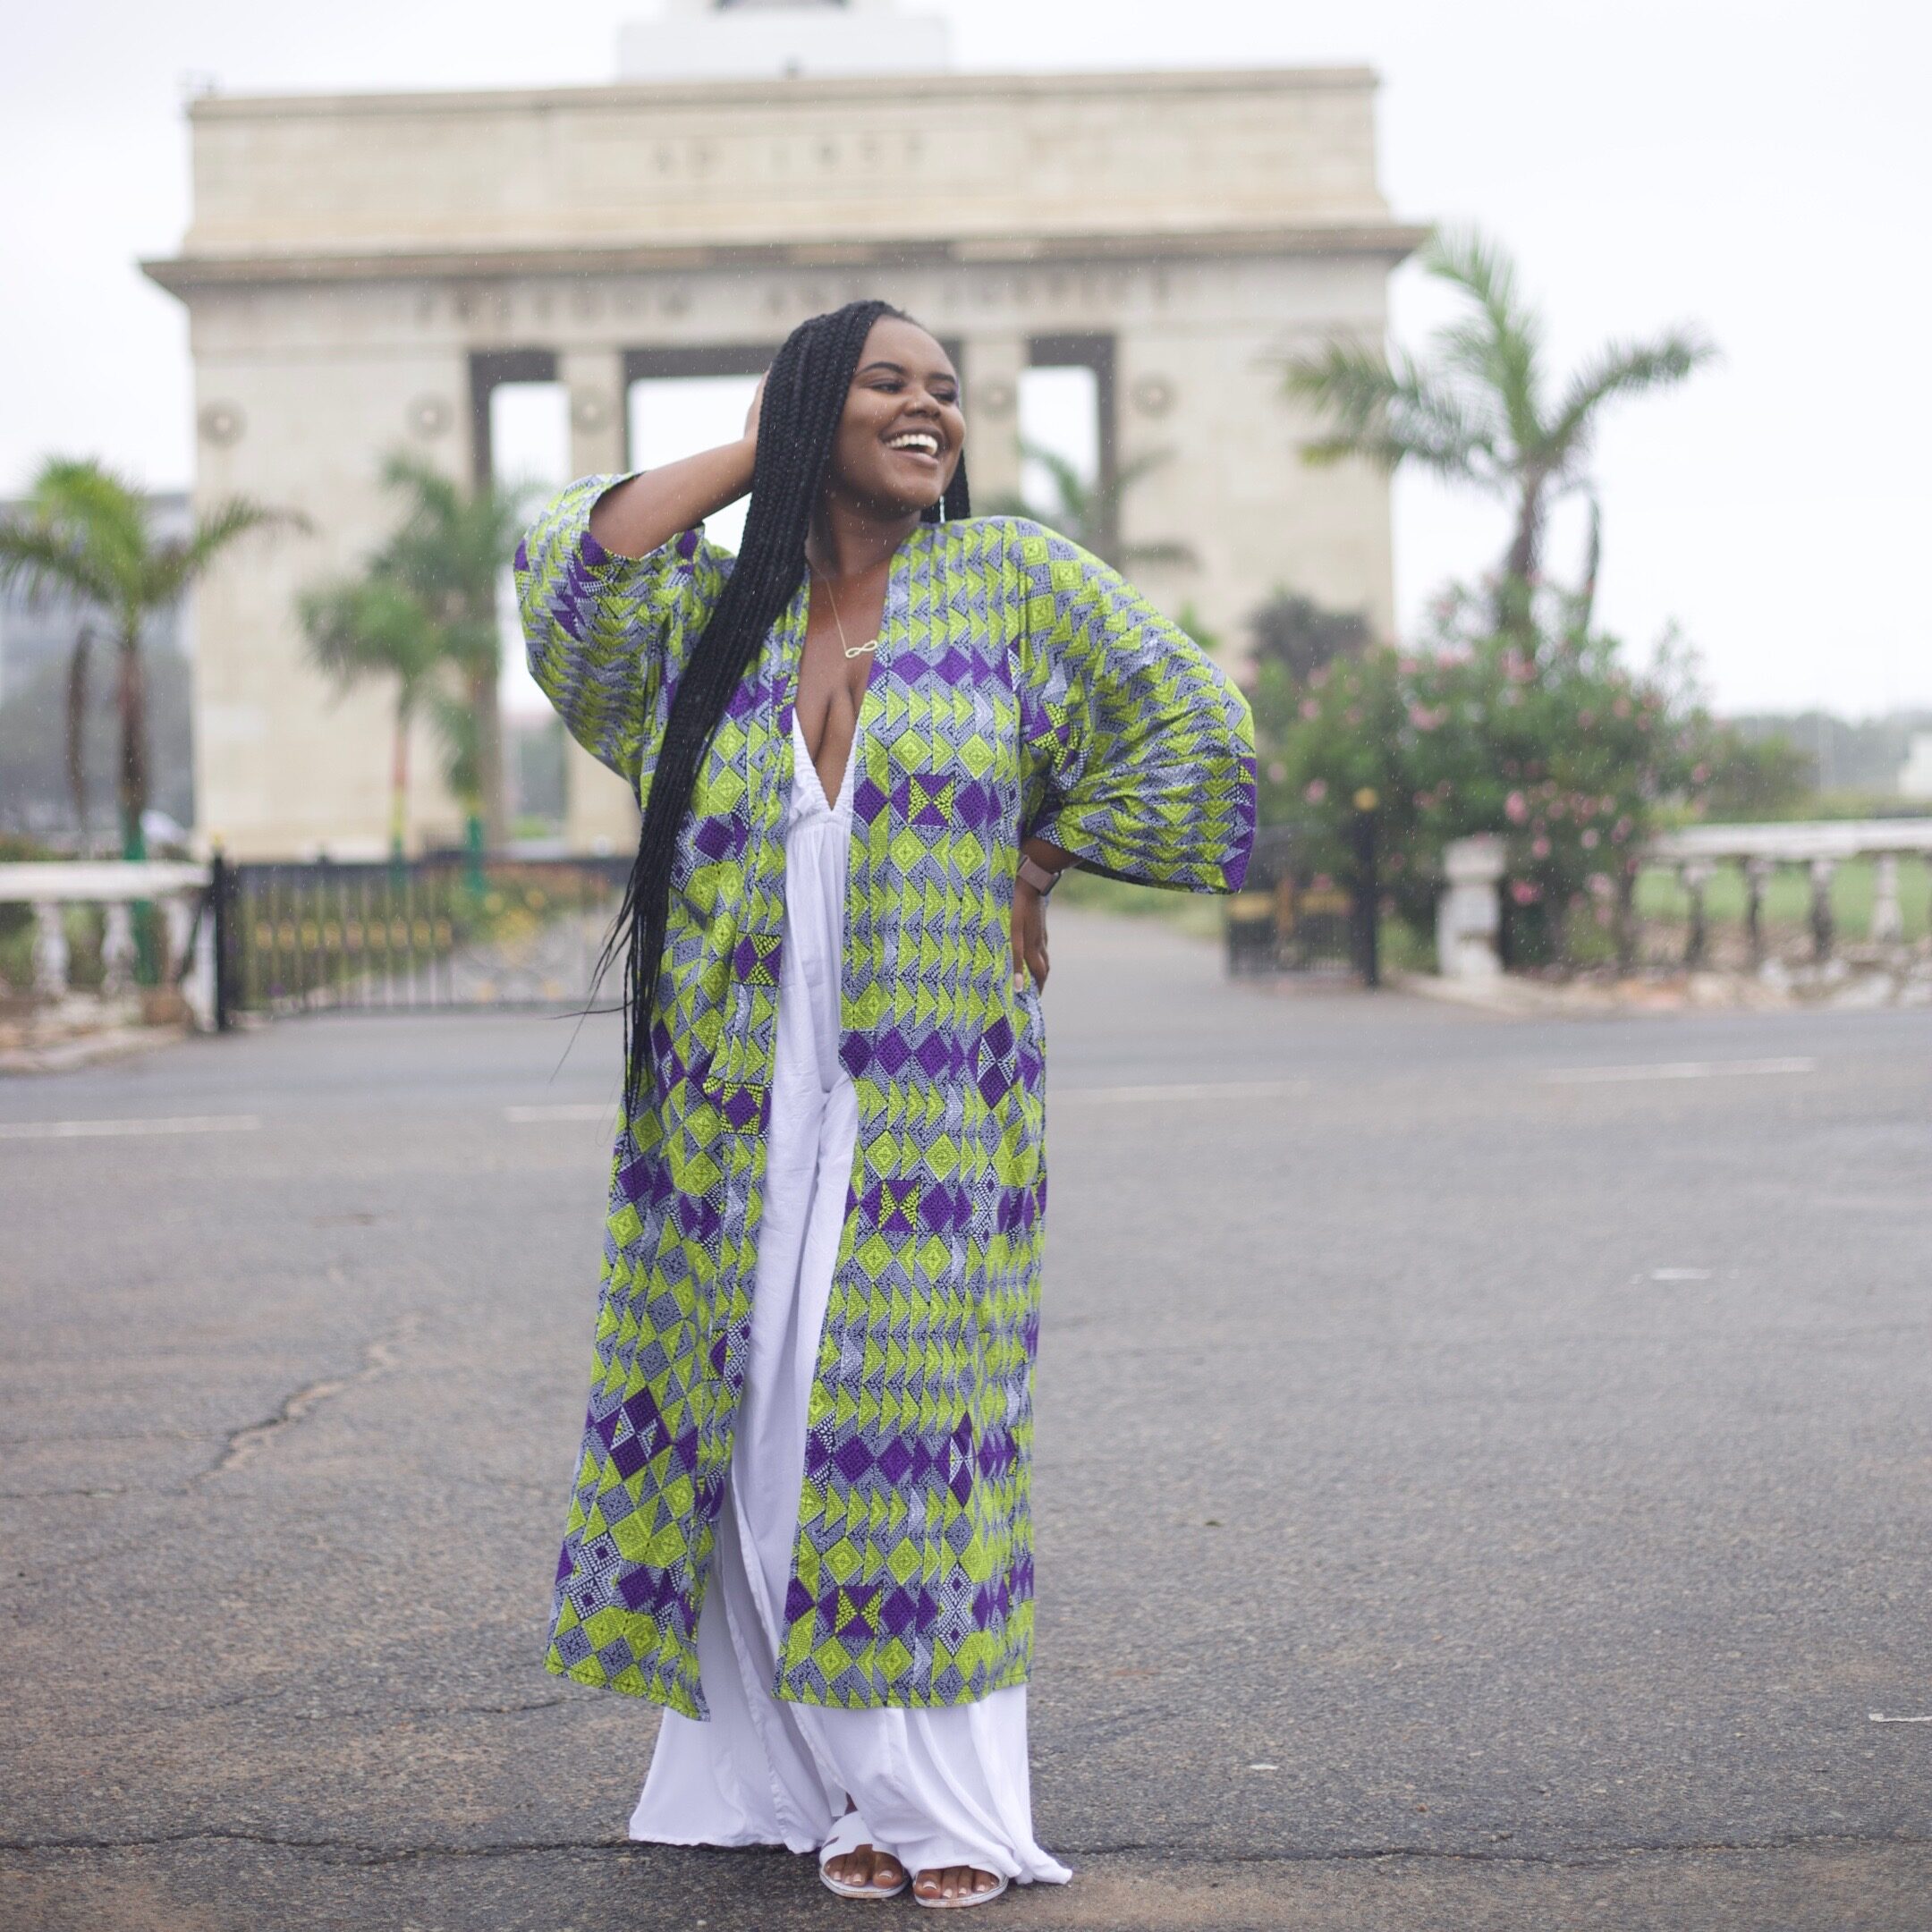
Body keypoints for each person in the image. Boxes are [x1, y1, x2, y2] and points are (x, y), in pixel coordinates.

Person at [515, 299, 1254, 1908]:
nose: (932, 412)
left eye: (949, 392)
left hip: (928, 1119)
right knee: (760, 1443)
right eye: (886, 387)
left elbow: (1199, 731)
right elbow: (570, 563)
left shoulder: (1012, 584)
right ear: (809, 414)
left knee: (917, 1448)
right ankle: (818, 1782)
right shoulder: (718, 621)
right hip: (730, 1108)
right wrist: (768, 446)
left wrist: (1038, 857)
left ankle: (940, 1808)